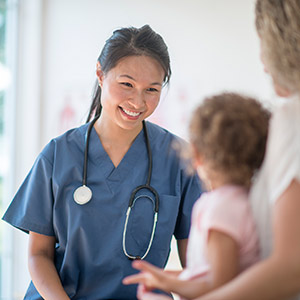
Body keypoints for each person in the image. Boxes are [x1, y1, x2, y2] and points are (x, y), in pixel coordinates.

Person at [2, 25, 201, 300]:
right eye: (127, 84)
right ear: (100, 74)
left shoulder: (179, 159)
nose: (138, 101)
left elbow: (196, 264)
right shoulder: (58, 154)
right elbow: (38, 254)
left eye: (152, 89)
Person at [133, 1, 300, 299]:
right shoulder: (243, 198)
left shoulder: (291, 121)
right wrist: (173, 279)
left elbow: (231, 278)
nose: (263, 62)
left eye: (152, 88)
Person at [123, 92, 270, 300]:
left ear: (197, 155)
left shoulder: (220, 209)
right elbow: (208, 274)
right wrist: (166, 279)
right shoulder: (248, 200)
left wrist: (165, 291)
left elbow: (219, 287)